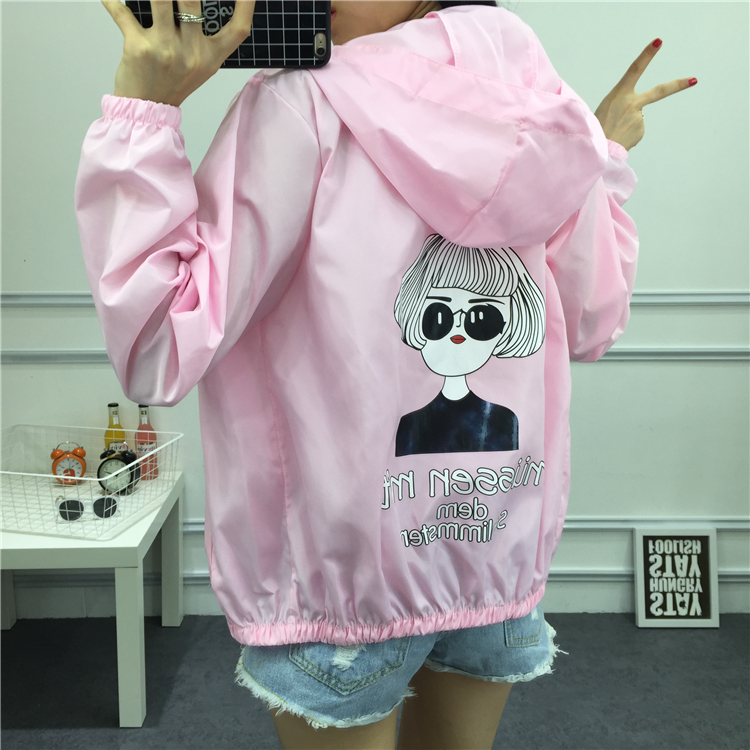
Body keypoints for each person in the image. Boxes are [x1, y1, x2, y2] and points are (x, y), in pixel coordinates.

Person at [76, 2, 697, 748]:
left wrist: (145, 112)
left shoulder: (300, 105)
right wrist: (600, 156)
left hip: (340, 587)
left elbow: (158, 346)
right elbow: (593, 318)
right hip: (492, 557)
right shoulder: (540, 105)